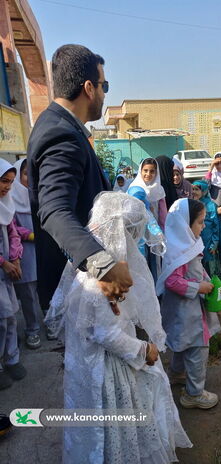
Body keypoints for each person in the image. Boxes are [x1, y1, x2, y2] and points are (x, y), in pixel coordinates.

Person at [45, 192, 192, 463]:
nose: (135, 242)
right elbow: (104, 332)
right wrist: (144, 349)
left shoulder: (96, 267)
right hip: (105, 368)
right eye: (133, 234)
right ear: (121, 233)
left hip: (94, 363)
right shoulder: (96, 280)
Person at [27, 45, 132, 325]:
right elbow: (54, 211)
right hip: (78, 287)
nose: (104, 92)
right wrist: (103, 266)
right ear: (88, 88)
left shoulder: (60, 126)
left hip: (87, 286)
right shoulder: (61, 135)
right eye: (103, 85)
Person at [156, 198, 221, 409]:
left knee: (181, 342)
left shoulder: (184, 243)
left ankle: (176, 374)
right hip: (188, 311)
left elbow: (193, 269)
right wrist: (198, 287)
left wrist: (205, 279)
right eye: (200, 222)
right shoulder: (179, 251)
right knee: (198, 349)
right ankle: (194, 394)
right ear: (185, 224)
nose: (203, 227)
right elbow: (172, 281)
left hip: (185, 312)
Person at [0, 159, 27, 390]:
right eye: (3, 181)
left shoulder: (6, 205)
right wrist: (3, 263)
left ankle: (12, 358)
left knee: (10, 317)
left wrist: (15, 257)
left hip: (6, 274)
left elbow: (13, 233)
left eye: (10, 182)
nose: (7, 187)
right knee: (2, 319)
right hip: (2, 270)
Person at [11, 158, 42, 349]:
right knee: (28, 294)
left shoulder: (38, 197)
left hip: (42, 251)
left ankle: (51, 322)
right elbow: (11, 227)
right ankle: (32, 330)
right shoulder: (10, 199)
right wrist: (30, 235)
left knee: (47, 290)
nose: (29, 179)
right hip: (24, 253)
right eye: (25, 174)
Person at [128, 158, 167, 230]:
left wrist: (162, 230)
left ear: (156, 173)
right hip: (138, 228)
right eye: (145, 170)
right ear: (140, 171)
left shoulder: (159, 189)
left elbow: (163, 213)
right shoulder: (134, 188)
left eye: (152, 171)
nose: (148, 174)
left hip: (155, 228)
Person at [192, 180, 220, 277]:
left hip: (208, 241)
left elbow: (216, 225)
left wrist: (214, 243)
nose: (194, 192)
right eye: (192, 189)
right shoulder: (192, 204)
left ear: (203, 191)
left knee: (209, 267)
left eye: (196, 189)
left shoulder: (210, 205)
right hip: (196, 239)